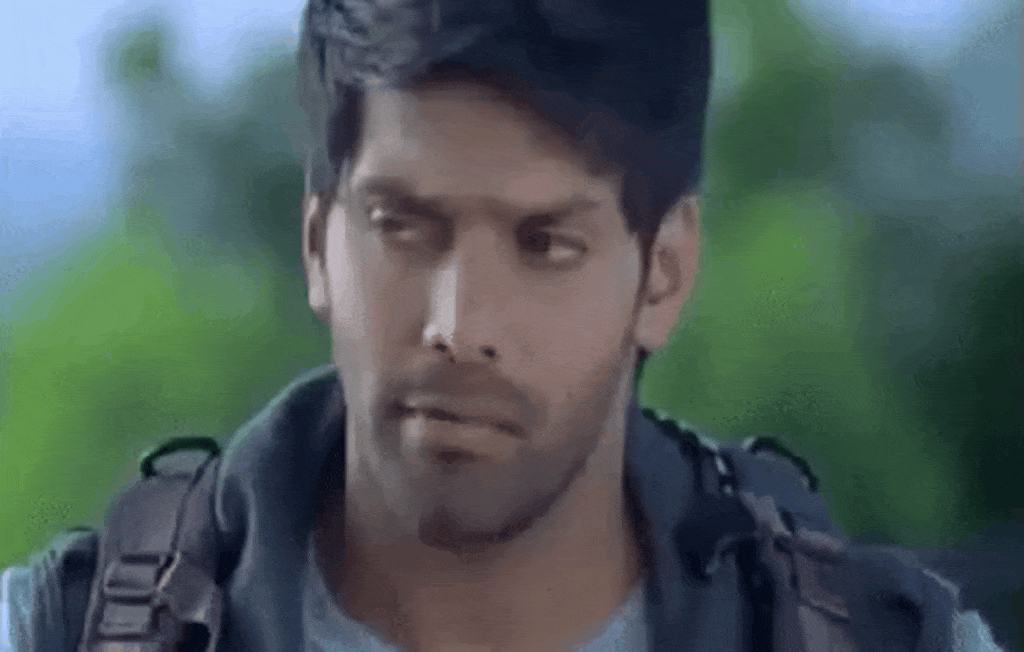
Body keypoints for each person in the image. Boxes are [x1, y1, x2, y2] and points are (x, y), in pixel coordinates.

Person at [0, 0, 1009, 651]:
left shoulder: (886, 641)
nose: (460, 323)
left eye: (544, 244)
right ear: (317, 243)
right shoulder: (60, 633)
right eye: (403, 227)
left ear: (662, 272)